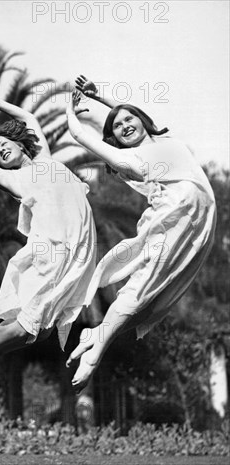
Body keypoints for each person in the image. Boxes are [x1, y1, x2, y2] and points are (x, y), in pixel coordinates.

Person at [65, 76, 217, 392]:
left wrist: (99, 98)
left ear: (141, 119)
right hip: (175, 218)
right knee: (141, 290)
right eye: (117, 127)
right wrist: (71, 109)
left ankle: (95, 336)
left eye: (129, 119)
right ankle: (96, 348)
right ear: (115, 139)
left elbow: (129, 115)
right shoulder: (128, 158)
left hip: (200, 221)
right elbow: (80, 135)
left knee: (155, 297)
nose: (125, 125)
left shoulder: (164, 141)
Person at [0, 93, 97, 384]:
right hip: (53, 253)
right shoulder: (15, 180)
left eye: (4, 144)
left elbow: (28, 118)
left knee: (40, 331)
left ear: (20, 144)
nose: (1, 151)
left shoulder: (44, 157)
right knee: (30, 325)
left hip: (79, 251)